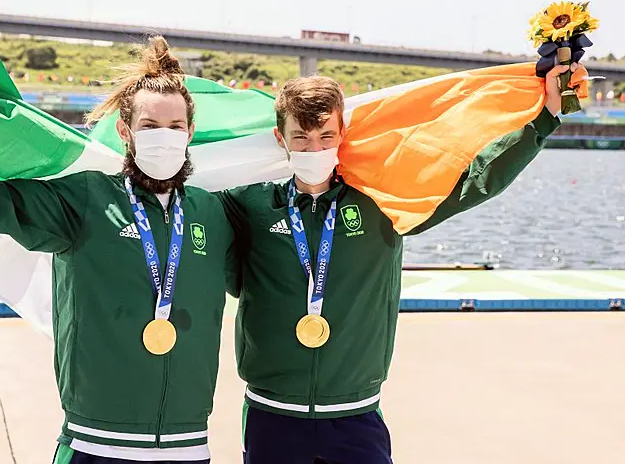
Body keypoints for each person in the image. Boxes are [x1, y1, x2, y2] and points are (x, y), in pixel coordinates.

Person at [0, 36, 236, 464]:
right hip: (94, 443)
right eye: (150, 126)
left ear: (190, 132)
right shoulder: (86, 198)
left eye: (174, 127)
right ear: (125, 131)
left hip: (188, 446)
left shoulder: (215, 212)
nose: (163, 138)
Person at [218, 64, 573, 464]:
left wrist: (546, 118)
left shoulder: (384, 199)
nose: (314, 149)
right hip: (272, 413)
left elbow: (476, 181)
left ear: (342, 136)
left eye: (325, 137)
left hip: (356, 414)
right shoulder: (248, 204)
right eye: (300, 137)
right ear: (279, 138)